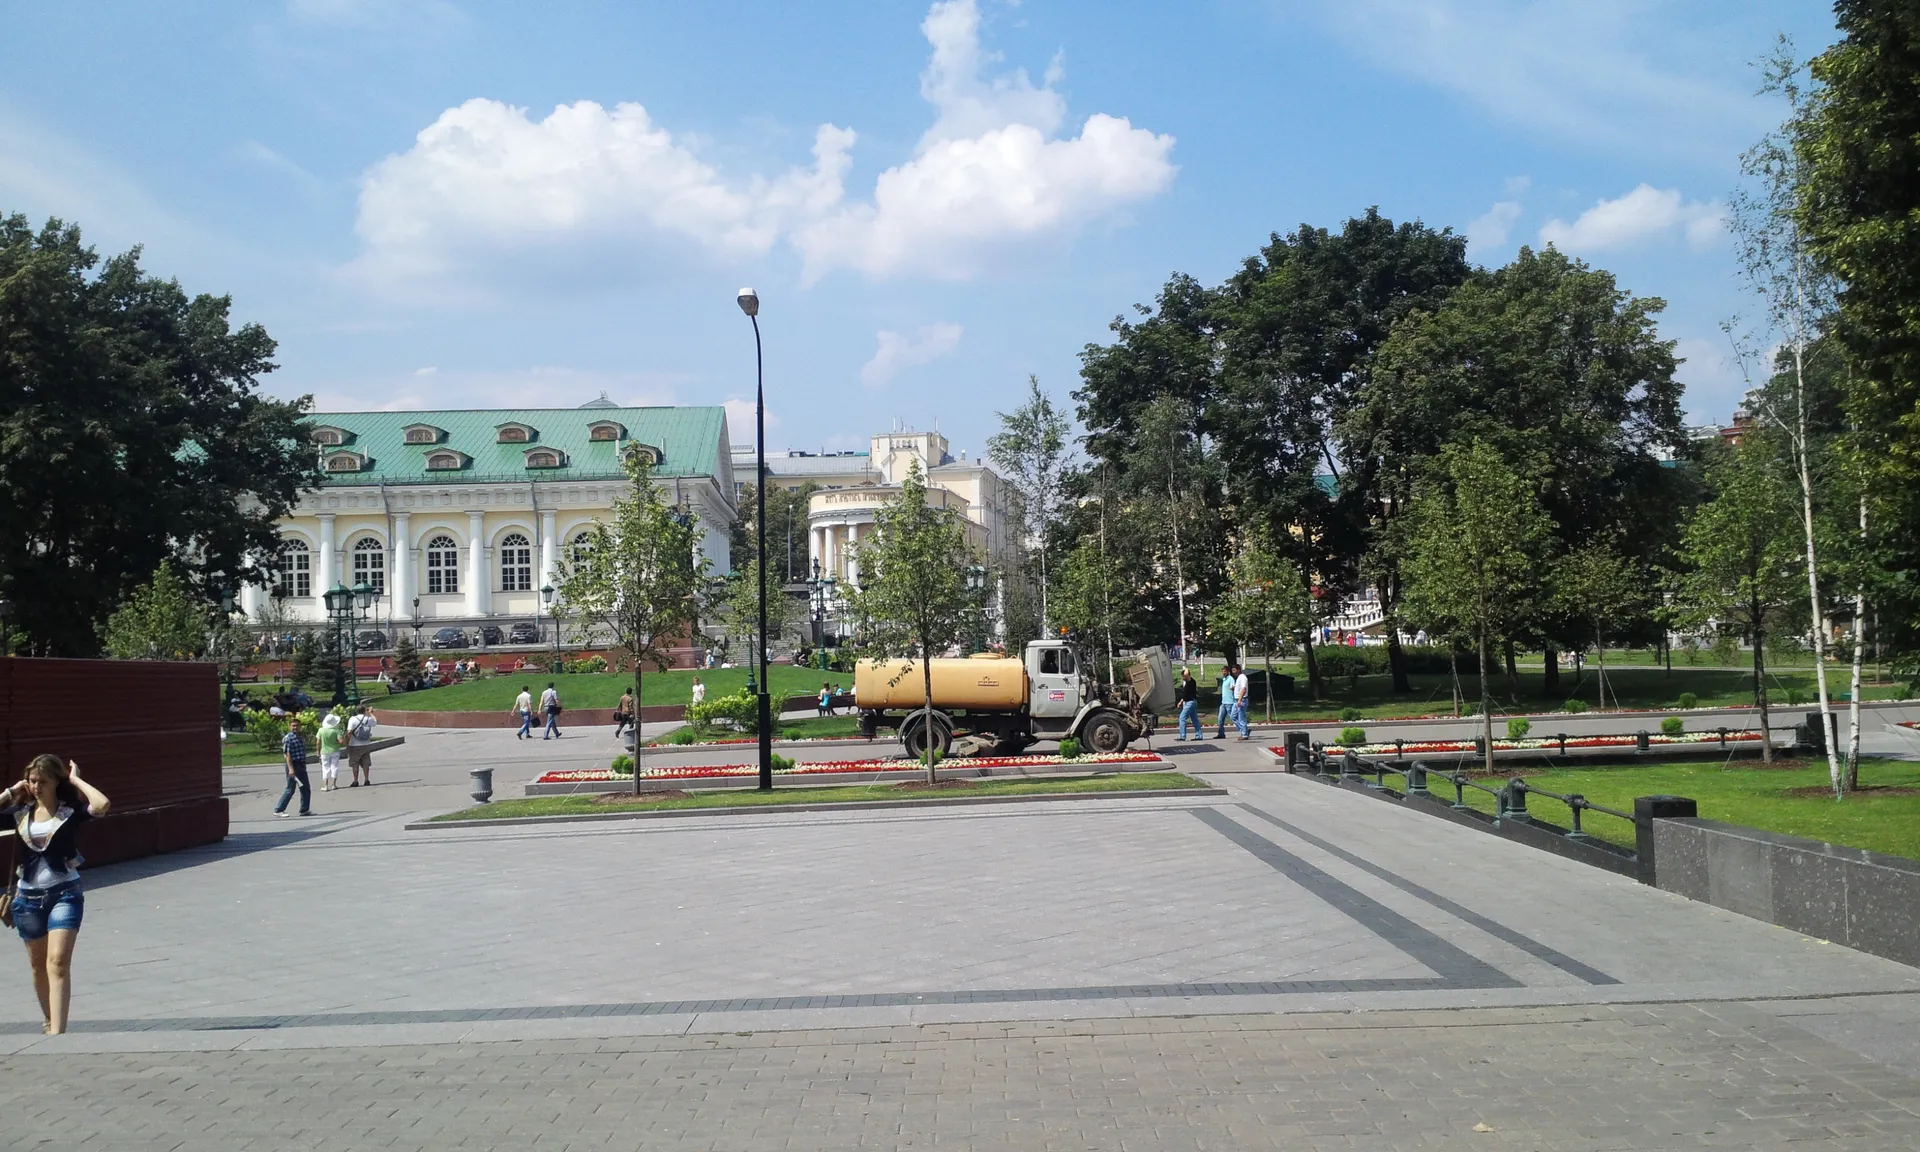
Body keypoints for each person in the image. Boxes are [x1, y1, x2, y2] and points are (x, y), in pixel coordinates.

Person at [1, 755, 111, 1035]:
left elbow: (101, 805)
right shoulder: (20, 811)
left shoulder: (69, 811)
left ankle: (58, 1033)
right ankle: (50, 1019)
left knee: (58, 961)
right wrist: (11, 792)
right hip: (27, 900)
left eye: (42, 781)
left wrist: (76, 780)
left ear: (55, 782)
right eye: (32, 781)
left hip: (65, 894)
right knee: (38, 966)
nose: (36, 787)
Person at [276, 717, 312, 817]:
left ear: (300, 726)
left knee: (305, 788)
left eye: (297, 725)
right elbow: (287, 755)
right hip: (293, 765)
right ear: (290, 726)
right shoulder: (288, 738)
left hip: (301, 765)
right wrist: (291, 769)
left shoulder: (300, 737)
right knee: (290, 789)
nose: (295, 727)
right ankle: (279, 810)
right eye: (293, 726)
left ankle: (304, 810)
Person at [346, 705, 377, 786]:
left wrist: (347, 743)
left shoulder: (352, 719)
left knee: (355, 763)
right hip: (366, 744)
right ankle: (366, 779)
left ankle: (355, 781)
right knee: (366, 763)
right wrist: (370, 713)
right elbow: (375, 721)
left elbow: (349, 732)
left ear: (356, 711)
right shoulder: (368, 719)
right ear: (364, 711)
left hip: (354, 744)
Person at [316, 712, 343, 792]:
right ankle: (334, 785)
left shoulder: (321, 730)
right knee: (334, 767)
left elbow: (318, 742)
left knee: (325, 768)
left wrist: (318, 751)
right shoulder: (336, 731)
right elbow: (341, 741)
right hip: (335, 751)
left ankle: (325, 786)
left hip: (324, 751)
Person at [1175, 668, 1200, 740]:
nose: (1182, 678)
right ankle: (1199, 736)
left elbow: (1186, 673)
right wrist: (1181, 702)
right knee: (1194, 719)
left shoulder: (1191, 681)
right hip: (1188, 702)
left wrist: (1186, 668)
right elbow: (1185, 695)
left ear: (1187, 675)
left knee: (1182, 718)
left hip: (1190, 702)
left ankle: (1182, 736)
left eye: (1183, 676)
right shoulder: (1186, 683)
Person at [1214, 664, 1236, 740]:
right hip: (1223, 702)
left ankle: (1244, 730)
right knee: (1220, 719)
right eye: (1222, 671)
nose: (1223, 672)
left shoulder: (1231, 679)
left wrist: (1233, 688)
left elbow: (1233, 686)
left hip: (1229, 702)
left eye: (1225, 671)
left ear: (1228, 672)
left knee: (1233, 718)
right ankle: (1221, 734)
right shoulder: (1224, 679)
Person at [1232, 665, 1252, 741]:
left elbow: (1244, 689)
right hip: (1236, 700)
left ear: (1238, 670)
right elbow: (1239, 688)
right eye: (1232, 670)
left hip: (1242, 700)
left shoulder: (1243, 677)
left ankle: (1244, 734)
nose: (1233, 672)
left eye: (1234, 670)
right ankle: (1244, 730)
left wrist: (1240, 700)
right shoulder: (1238, 678)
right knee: (1233, 716)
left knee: (1241, 718)